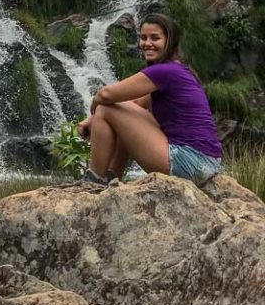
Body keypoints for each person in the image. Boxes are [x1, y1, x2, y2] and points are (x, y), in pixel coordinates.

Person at [75, 13, 222, 187]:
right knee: (119, 116)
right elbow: (133, 105)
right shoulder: (178, 70)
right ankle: (111, 178)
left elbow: (106, 95)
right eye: (143, 38)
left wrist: (96, 105)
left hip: (188, 161)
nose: (147, 43)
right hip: (206, 162)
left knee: (106, 108)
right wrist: (92, 119)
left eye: (155, 38)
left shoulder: (164, 71)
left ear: (170, 41)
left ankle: (93, 182)